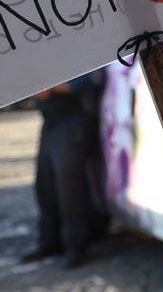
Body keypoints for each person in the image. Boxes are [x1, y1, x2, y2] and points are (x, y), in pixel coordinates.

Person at [20, 69, 106, 269]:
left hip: (74, 120)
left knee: (69, 189)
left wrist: (53, 88)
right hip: (52, 121)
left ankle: (76, 246)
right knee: (45, 184)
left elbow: (90, 79)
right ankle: (50, 242)